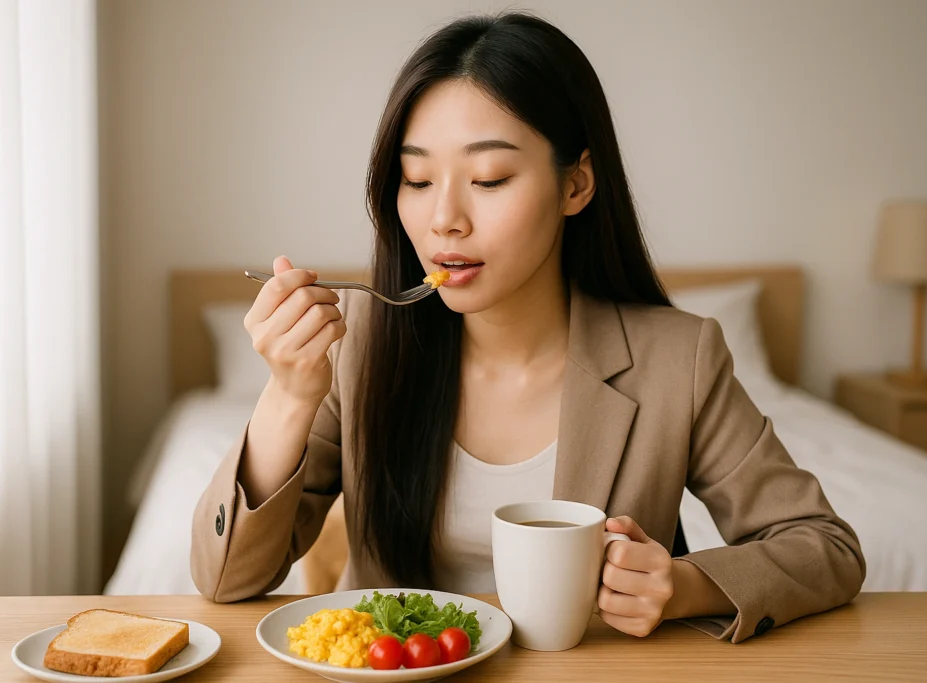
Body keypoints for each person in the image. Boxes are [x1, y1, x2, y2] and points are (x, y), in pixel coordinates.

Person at [191, 11, 864, 643]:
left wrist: (683, 584)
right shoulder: (362, 341)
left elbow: (824, 546)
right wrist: (287, 394)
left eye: (488, 178)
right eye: (417, 178)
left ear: (576, 185)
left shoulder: (678, 359)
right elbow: (225, 580)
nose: (443, 219)